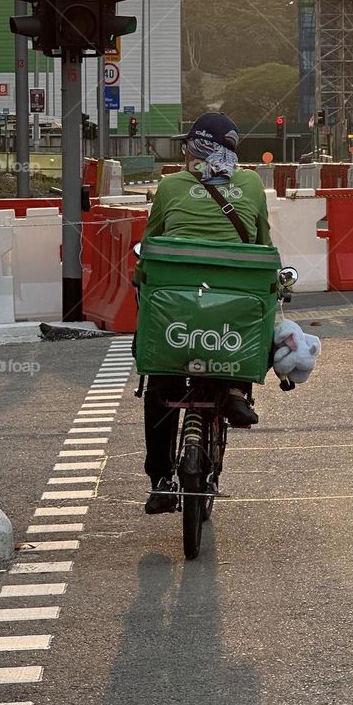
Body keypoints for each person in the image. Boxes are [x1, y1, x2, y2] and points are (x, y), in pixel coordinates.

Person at [140, 112, 273, 515]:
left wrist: (139, 278)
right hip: (232, 308)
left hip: (177, 309)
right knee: (261, 305)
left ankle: (161, 480)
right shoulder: (251, 183)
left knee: (161, 387)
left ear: (196, 147)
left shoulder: (171, 186)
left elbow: (150, 246)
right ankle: (235, 389)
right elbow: (263, 244)